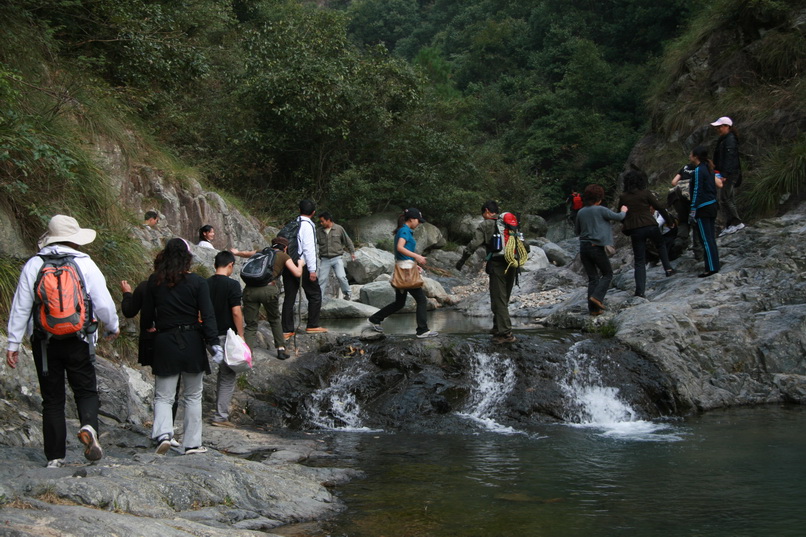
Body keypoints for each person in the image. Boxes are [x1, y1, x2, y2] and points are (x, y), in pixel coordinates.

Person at [6, 215, 120, 468]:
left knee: (52, 399)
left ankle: (55, 457)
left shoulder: (34, 264)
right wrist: (113, 326)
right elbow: (103, 303)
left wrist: (13, 343)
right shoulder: (85, 263)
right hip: (80, 339)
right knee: (86, 390)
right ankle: (89, 426)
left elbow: (21, 306)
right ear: (75, 240)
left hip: (45, 342)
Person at [141, 238, 220, 455]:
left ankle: (164, 434)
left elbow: (147, 315)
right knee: (193, 395)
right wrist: (213, 342)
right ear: (187, 258)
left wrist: (149, 327)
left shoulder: (154, 282)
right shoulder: (198, 283)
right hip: (192, 340)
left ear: (164, 257)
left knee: (164, 395)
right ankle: (193, 443)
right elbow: (208, 314)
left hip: (165, 340)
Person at [120, 277, 182, 448]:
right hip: (173, 338)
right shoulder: (178, 284)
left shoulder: (144, 286)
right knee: (172, 388)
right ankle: (166, 431)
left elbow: (129, 311)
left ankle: (161, 430)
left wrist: (126, 294)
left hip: (150, 341)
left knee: (162, 389)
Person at [368, 208, 438, 338]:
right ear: (411, 219)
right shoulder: (404, 231)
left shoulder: (404, 231)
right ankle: (422, 330)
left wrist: (415, 265)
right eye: (418, 220)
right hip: (405, 271)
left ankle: (375, 319)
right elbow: (400, 247)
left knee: (400, 303)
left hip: (405, 268)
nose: (419, 223)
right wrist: (417, 257)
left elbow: (402, 252)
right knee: (421, 300)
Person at [455, 200, 518, 343]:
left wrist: (462, 260)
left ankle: (505, 334)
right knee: (504, 296)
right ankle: (497, 326)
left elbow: (474, 244)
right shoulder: (510, 225)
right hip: (513, 262)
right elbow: (523, 245)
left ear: (487, 211)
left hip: (498, 264)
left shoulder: (486, 225)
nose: (483, 216)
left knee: (498, 297)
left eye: (483, 213)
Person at [232, 237, 304, 359]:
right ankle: (281, 350)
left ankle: (247, 355)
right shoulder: (283, 256)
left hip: (250, 290)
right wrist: (301, 264)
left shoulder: (261, 252)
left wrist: (236, 252)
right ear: (285, 248)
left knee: (251, 324)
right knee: (275, 319)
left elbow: (245, 254)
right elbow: (297, 273)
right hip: (268, 290)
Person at [618, 170, 676, 298]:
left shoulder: (624, 197)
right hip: (650, 224)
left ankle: (640, 291)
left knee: (639, 260)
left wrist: (628, 221)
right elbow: (660, 207)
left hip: (635, 229)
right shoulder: (645, 193)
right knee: (660, 245)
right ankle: (668, 269)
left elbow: (620, 215)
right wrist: (669, 221)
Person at [574, 186, 628, 315]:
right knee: (607, 274)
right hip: (596, 247)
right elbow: (619, 217)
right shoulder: (601, 210)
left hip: (584, 247)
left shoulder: (581, 212)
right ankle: (597, 297)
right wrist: (624, 210)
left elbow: (577, 231)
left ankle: (593, 310)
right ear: (599, 198)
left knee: (593, 278)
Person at [207, 250, 244, 427]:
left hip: (206, 335)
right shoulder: (233, 285)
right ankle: (220, 417)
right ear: (230, 265)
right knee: (227, 375)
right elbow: (236, 311)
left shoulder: (204, 283)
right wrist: (241, 335)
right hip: (225, 336)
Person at [281, 200, 327, 338]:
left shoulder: (293, 224)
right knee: (315, 294)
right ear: (313, 213)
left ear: (299, 209)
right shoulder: (307, 226)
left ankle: (286, 330)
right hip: (302, 264)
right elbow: (309, 249)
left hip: (288, 262)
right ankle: (312, 325)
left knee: (289, 297)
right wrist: (312, 270)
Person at [689, 145, 721, 277]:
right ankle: (714, 265)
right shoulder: (709, 168)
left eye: (691, 154)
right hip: (712, 204)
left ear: (696, 156)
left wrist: (693, 209)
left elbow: (697, 190)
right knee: (711, 238)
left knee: (705, 239)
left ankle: (711, 268)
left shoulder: (698, 170)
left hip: (703, 207)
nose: (689, 156)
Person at [711, 116, 745, 236]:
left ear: (727, 127)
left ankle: (736, 223)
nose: (718, 129)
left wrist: (724, 174)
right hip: (726, 172)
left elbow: (730, 158)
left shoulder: (729, 139)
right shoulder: (725, 139)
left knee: (725, 198)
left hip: (729, 174)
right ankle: (731, 223)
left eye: (720, 127)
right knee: (728, 198)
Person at [317, 211, 356, 301]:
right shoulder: (319, 231)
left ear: (328, 220)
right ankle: (319, 298)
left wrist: (352, 253)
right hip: (324, 259)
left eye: (322, 221)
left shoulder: (339, 229)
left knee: (341, 276)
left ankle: (348, 294)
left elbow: (348, 241)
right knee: (322, 279)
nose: (321, 223)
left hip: (337, 257)